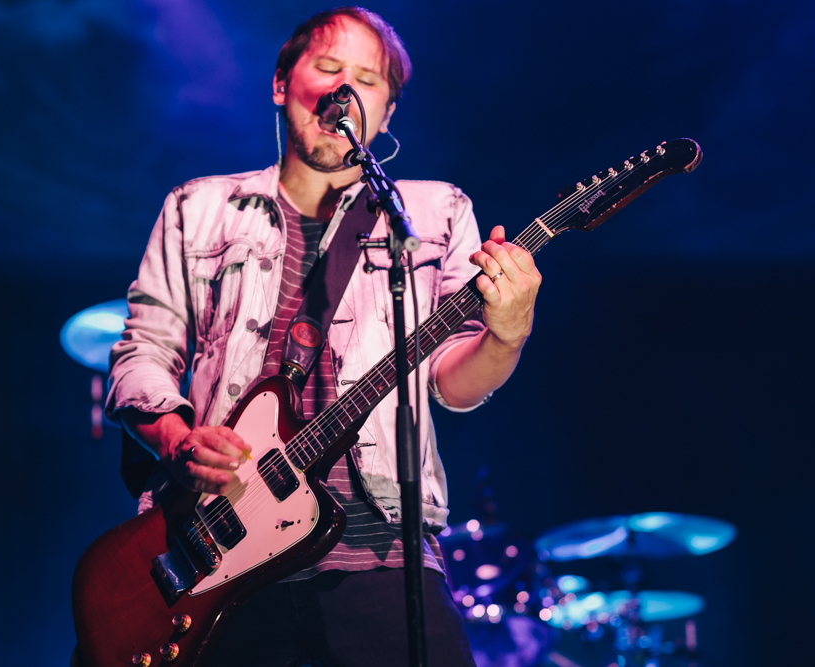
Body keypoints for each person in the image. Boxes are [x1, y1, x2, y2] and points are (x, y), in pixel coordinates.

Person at [105, 7, 541, 666]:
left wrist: (506, 336)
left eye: (366, 79)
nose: (343, 89)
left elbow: (451, 379)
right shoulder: (197, 208)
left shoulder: (434, 212)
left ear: (387, 114)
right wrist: (179, 438)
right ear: (283, 83)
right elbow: (142, 352)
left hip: (383, 554)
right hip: (221, 549)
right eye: (328, 68)